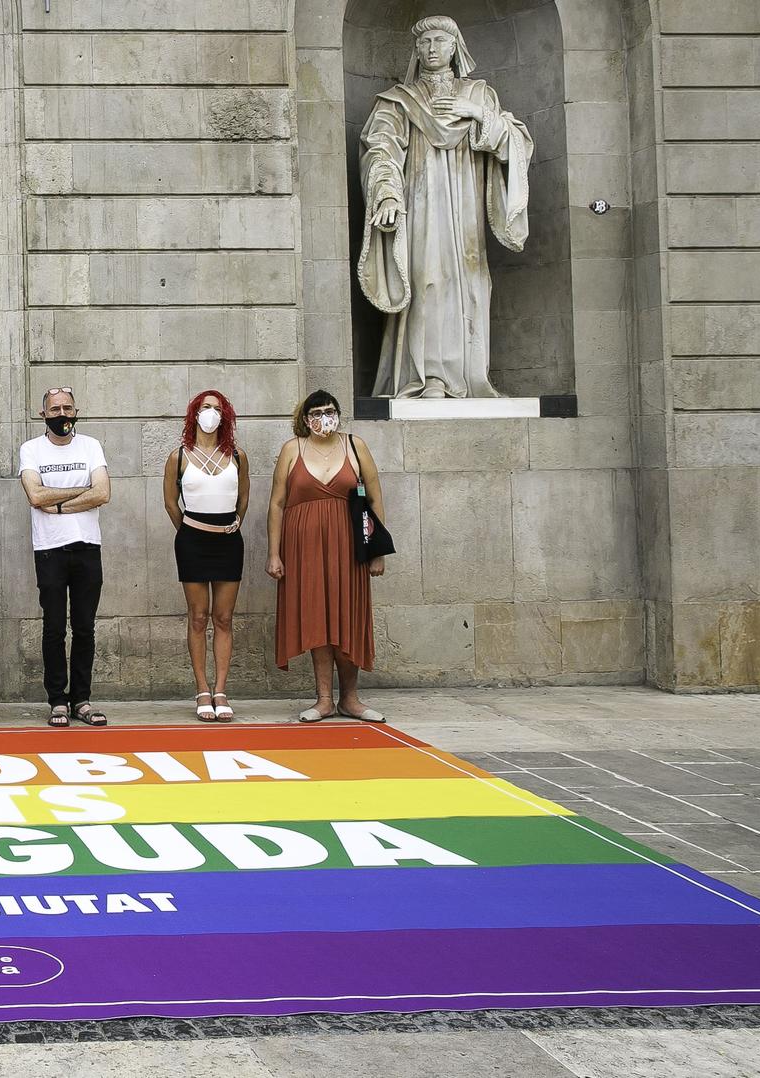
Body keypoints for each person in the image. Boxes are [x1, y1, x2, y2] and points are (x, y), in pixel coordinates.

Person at [357, 14, 532, 399]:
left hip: (465, 206)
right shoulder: (400, 100)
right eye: (423, 43)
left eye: (438, 41)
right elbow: (380, 147)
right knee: (427, 280)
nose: (430, 49)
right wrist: (386, 191)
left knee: (471, 282)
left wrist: (478, 116)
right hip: (422, 206)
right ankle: (428, 377)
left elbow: (515, 143)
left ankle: (469, 376)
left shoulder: (479, 95)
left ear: (455, 47)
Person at [267, 391, 388, 724]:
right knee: (316, 618)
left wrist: (378, 551)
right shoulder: (292, 449)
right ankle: (323, 699)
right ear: (306, 419)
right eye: (317, 412)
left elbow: (375, 499)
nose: (325, 417)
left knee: (347, 617)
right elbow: (277, 503)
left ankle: (350, 699)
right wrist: (274, 553)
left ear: (339, 414)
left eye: (330, 411)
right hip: (303, 549)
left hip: (350, 548)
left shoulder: (355, 446)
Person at [19, 388, 111, 727]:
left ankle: (82, 700)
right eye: (55, 409)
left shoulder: (90, 446)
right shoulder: (31, 449)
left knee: (85, 628)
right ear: (43, 414)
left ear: (76, 411)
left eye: (67, 408)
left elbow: (103, 492)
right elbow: (34, 494)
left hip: (87, 546)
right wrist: (82, 490)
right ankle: (58, 700)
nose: (62, 414)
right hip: (49, 549)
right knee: (54, 628)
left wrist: (56, 504)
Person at [162, 391, 249, 723]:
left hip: (228, 541)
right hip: (192, 541)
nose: (211, 413)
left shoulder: (238, 455)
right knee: (198, 617)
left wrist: (235, 523)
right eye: (205, 408)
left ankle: (221, 690)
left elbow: (243, 496)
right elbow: (171, 503)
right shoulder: (178, 457)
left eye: (217, 409)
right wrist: (188, 531)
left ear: (225, 415)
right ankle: (201, 689)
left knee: (223, 619)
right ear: (193, 414)